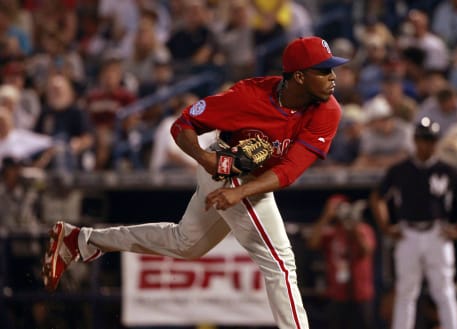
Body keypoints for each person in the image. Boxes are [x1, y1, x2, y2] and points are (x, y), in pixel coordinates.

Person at [42, 35, 349, 329]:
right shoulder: (247, 96)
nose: (333, 76)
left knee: (185, 244)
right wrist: (205, 158)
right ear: (297, 76)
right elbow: (183, 125)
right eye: (323, 71)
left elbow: (290, 171)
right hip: (225, 167)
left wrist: (240, 192)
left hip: (251, 181)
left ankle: (82, 240)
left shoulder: (328, 109)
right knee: (281, 263)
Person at [370, 117, 457, 329]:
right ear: (415, 140)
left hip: (437, 233)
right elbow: (378, 197)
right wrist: (385, 226)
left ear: (435, 142)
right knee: (405, 290)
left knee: (444, 290)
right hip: (408, 233)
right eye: (422, 139)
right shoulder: (401, 169)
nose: (425, 144)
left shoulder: (446, 169)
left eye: (430, 140)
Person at [307, 194, 376, 329]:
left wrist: (353, 226)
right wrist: (326, 216)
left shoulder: (363, 229)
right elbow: (312, 243)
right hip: (337, 294)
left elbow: (366, 251)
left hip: (361, 293)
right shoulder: (331, 232)